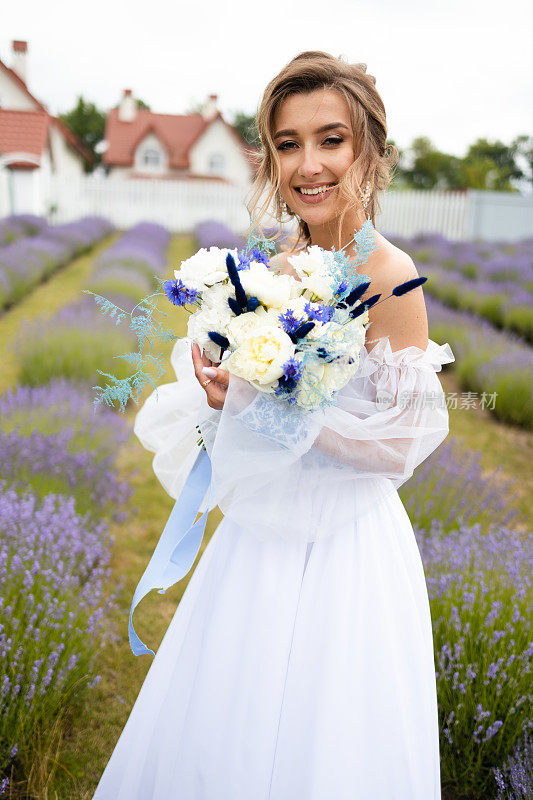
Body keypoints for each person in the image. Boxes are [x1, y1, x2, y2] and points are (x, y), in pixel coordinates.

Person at [92, 51, 454, 799]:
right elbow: (259, 408)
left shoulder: (388, 273)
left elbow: (399, 442)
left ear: (372, 155)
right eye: (287, 144)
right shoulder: (278, 265)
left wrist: (284, 412)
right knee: (230, 718)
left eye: (331, 140)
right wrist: (223, 388)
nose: (307, 164)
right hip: (261, 536)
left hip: (343, 544)